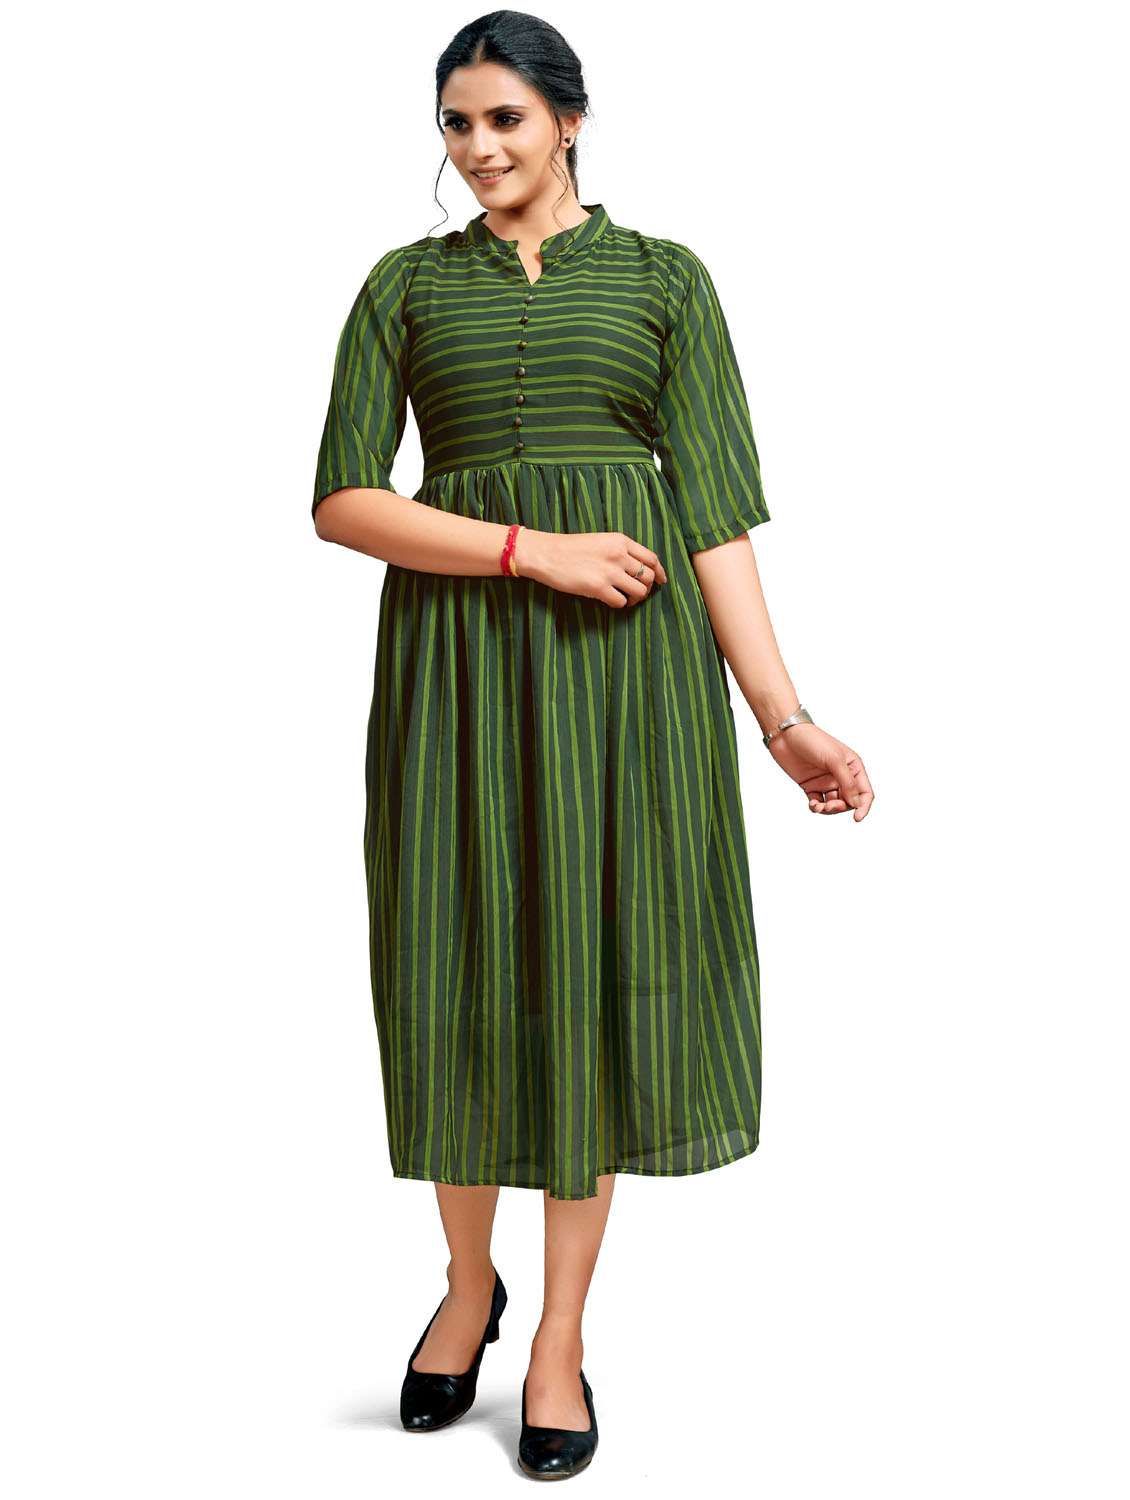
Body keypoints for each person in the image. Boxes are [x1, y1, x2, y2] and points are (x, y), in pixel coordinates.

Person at [310, 10, 874, 1481]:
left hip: (630, 685)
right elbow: (342, 502)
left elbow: (714, 519)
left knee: (591, 974)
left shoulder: (666, 279)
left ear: (568, 118)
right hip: (455, 670)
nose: (477, 147)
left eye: (503, 117)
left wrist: (784, 717)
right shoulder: (402, 284)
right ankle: (465, 1286)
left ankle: (556, 1333)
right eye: (455, 123)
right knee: (451, 962)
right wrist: (528, 550)